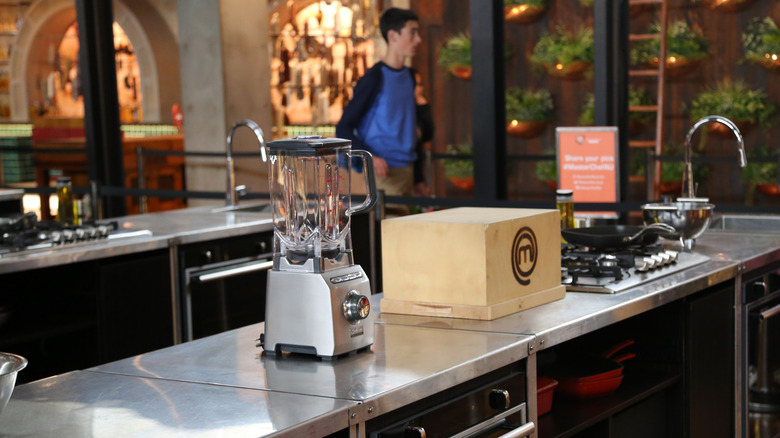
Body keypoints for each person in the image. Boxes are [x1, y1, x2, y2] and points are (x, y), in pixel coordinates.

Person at [336, 7, 430, 215]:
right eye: (412, 32)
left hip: (406, 173)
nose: (418, 40)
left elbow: (411, 131)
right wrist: (371, 157)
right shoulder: (374, 78)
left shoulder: (411, 77)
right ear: (393, 36)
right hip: (382, 176)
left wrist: (418, 178)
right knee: (386, 241)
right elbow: (343, 127)